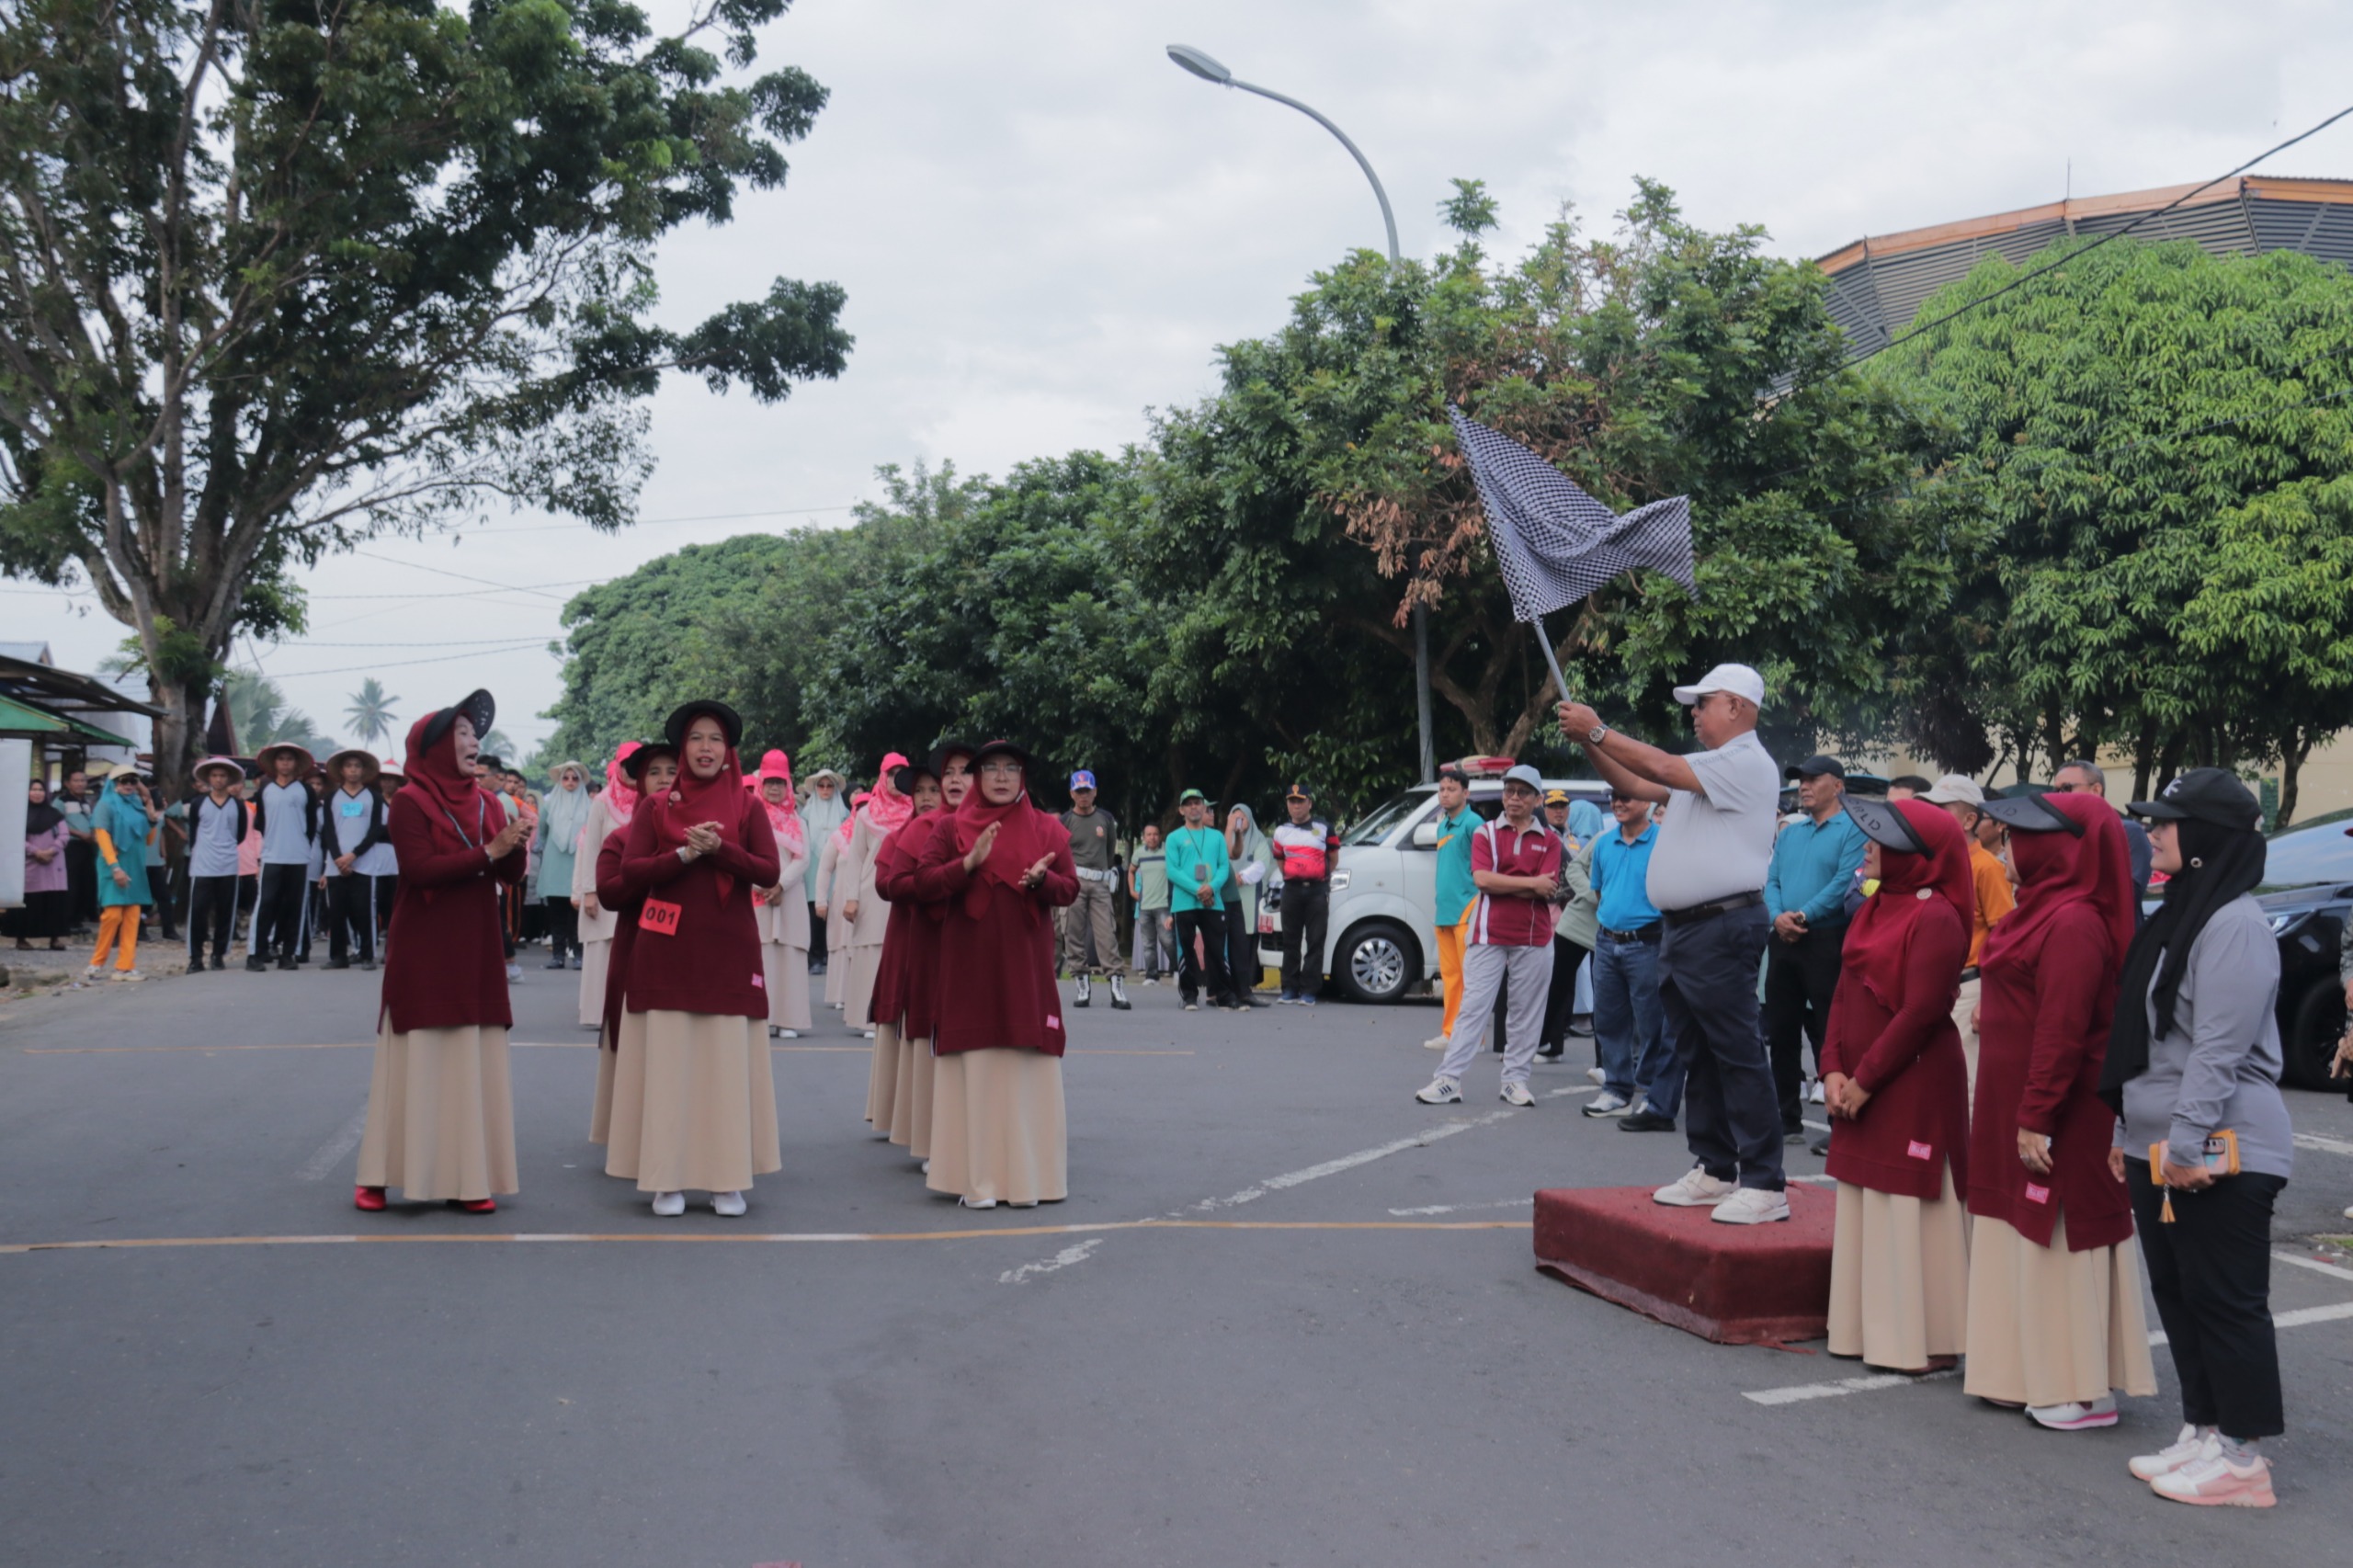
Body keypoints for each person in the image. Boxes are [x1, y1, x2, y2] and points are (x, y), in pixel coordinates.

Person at [2108, 768, 2293, 1507]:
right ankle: (2206, 1428)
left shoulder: (2234, 924)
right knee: (2179, 1293)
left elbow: (2217, 1050)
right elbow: (2147, 1042)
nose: (2151, 832)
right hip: (2158, 1142)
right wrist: (2128, 1130)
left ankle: (2244, 1462)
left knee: (2225, 1300)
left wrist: (2183, 1145)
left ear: (2205, 838)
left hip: (2220, 1145)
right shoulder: (2180, 910)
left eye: (2165, 822)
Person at [1558, 663, 1788, 1223]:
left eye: (1704, 702)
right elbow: (1636, 784)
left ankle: (1765, 1182)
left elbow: (1657, 765)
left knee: (1734, 1052)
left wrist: (1595, 729)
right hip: (1686, 928)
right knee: (1698, 1052)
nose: (1694, 712)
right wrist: (1588, 742)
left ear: (1736, 706)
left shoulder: (1745, 762)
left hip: (1720, 925)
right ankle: (1715, 1167)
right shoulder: (1709, 768)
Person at [1962, 790, 2156, 1428]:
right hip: (2017, 1103)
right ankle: (2023, 1371)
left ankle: (2081, 1388)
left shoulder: (2073, 921)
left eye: (2018, 837)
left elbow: (2064, 1030)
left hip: (2059, 1111)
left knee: (2061, 1236)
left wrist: (2036, 1114)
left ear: (2050, 848)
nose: (2006, 846)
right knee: (2018, 1231)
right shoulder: (2036, 911)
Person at [604, 700, 782, 1218]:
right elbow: (631, 873)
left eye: (716, 740)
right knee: (670, 1068)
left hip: (729, 951)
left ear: (729, 753)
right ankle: (667, 1178)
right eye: (697, 739)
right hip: (666, 954)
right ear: (684, 749)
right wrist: (682, 855)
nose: (706, 748)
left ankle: (727, 1180)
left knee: (724, 1068)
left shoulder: (748, 808)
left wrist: (719, 851)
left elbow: (769, 871)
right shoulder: (654, 808)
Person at [355, 691, 527, 1214]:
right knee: (418, 1054)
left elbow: (509, 876)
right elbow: (419, 869)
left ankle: (468, 1176)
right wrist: (490, 852)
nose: (475, 742)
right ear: (431, 748)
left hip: (475, 941)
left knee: (470, 1054)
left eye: (476, 735)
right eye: (462, 735)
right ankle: (381, 1174)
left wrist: (514, 847)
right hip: (425, 943)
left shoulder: (489, 802)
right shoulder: (409, 800)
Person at [1818, 796, 1974, 1375]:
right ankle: (1865, 1331)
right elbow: (1842, 991)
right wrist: (1831, 1068)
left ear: (1916, 855)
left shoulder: (1937, 917)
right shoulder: (1873, 907)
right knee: (1868, 1201)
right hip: (1861, 1078)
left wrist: (1863, 1080)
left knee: (1911, 1202)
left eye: (1879, 839)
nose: (1867, 846)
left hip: (1910, 1081)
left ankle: (1922, 1339)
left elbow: (1921, 1012)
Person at [915, 739, 1077, 1208]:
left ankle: (1033, 1179)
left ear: (1023, 777)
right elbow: (923, 883)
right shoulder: (951, 828)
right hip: (969, 967)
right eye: (992, 769)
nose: (1003, 777)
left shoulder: (1046, 829)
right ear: (978, 778)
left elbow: (1068, 889)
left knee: (1027, 1063)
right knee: (977, 1064)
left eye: (1012, 768)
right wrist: (967, 865)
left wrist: (1041, 880)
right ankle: (976, 1180)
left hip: (1025, 971)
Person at [1416, 766, 1563, 1108]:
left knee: (1525, 1013)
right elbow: (1484, 880)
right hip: (1487, 933)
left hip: (1535, 936)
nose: (1514, 798)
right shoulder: (1486, 833)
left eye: (1523, 792)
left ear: (1537, 799)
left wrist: (1508, 884)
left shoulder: (1551, 840)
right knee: (1473, 1008)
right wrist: (1529, 884)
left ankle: (1515, 1081)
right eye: (1509, 790)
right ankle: (1449, 1079)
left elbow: (1549, 888)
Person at [872, 742, 973, 1155]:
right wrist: (947, 881)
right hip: (928, 939)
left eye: (962, 772)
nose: (948, 784)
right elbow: (892, 884)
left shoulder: (994, 823)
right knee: (932, 1032)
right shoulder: (916, 830)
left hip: (977, 947)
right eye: (944, 775)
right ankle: (934, 1136)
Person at [1764, 756, 1868, 1141]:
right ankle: (1786, 1117)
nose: (1803, 786)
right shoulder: (1791, 832)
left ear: (1837, 785)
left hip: (1827, 938)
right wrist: (1777, 917)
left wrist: (1802, 916)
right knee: (1782, 1029)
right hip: (1784, 938)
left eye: (1813, 779)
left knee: (1830, 1030)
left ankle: (1837, 1122)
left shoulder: (1852, 829)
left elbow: (1846, 882)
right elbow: (1771, 878)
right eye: (1801, 780)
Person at [587, 742, 675, 1144]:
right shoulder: (621, 838)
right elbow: (610, 892)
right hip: (636, 946)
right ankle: (627, 1130)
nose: (663, 779)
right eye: (653, 772)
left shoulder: (706, 833)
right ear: (639, 781)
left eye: (671, 771)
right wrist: (665, 866)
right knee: (633, 1035)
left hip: (688, 956)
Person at [1586, 788, 1675, 1126]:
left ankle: (1652, 1093)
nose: (1618, 804)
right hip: (1607, 942)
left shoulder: (1664, 841)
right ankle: (1617, 1089)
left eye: (1627, 797)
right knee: (1608, 1020)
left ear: (1648, 803)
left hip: (1649, 943)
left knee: (1651, 1022)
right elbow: (1600, 890)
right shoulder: (1604, 843)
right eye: (1614, 798)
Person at [863, 756, 938, 1131]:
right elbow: (883, 883)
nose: (926, 797)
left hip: (942, 938)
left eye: (933, 790)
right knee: (902, 1015)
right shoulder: (899, 836)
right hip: (905, 933)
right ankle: (895, 1110)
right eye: (919, 791)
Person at [842, 756, 915, 1038]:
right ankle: (866, 1019)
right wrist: (851, 898)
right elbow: (855, 859)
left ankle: (898, 1013)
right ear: (882, 777)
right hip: (870, 893)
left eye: (902, 774)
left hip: (905, 891)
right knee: (870, 953)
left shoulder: (915, 812)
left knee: (902, 951)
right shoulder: (866, 814)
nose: (896, 779)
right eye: (891, 773)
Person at [572, 746, 643, 1031]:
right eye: (626, 765)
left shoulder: (649, 799)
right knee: (601, 947)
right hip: (604, 884)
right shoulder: (602, 801)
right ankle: (594, 1013)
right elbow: (590, 848)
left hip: (636, 885)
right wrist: (589, 890)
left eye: (637, 765)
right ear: (617, 766)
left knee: (631, 947)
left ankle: (627, 1009)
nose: (630, 771)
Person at [746, 749, 814, 1042]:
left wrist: (780, 885)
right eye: (770, 782)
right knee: (760, 955)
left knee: (790, 955)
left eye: (780, 782)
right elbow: (742, 853)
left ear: (788, 785)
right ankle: (761, 1015)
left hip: (789, 897)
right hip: (757, 895)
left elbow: (804, 858)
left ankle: (789, 1020)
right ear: (761, 784)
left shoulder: (797, 821)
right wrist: (761, 883)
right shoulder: (749, 816)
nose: (774, 788)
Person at [1921, 774, 2015, 965]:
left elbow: (2002, 936)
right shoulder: (1930, 862)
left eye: (1941, 808)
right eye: (1929, 808)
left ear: (1970, 820)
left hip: (1970, 983)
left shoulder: (1988, 867)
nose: (1931, 814)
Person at [1057, 770, 1130, 1009]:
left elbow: (1110, 851)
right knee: (1072, 933)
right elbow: (1060, 852)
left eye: (1087, 790)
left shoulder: (1106, 819)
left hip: (1099, 882)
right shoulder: (1065, 820)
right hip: (1074, 881)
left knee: (1106, 933)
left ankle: (1116, 988)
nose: (1083, 795)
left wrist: (1104, 873)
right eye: (1079, 791)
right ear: (1072, 793)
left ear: (1095, 791)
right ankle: (1082, 986)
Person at [168, 758, 248, 971]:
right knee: (198, 912)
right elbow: (194, 831)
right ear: (208, 779)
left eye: (222, 775)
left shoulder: (238, 805)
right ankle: (195, 957)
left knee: (225, 911)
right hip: (203, 865)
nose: (219, 779)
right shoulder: (198, 803)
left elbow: (239, 834)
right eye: (214, 775)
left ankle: (218, 954)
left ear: (229, 779)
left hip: (228, 865)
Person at [312, 749, 388, 970]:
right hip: (336, 865)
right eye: (349, 766)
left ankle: (366, 955)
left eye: (357, 766)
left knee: (364, 911)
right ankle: (338, 956)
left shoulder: (373, 797)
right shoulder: (332, 798)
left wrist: (354, 854)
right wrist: (338, 859)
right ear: (342, 770)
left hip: (364, 863)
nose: (353, 770)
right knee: (336, 911)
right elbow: (329, 831)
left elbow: (376, 829)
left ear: (364, 770)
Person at [1163, 788, 1237, 1012]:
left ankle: (1224, 994)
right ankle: (1189, 996)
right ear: (1181, 810)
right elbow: (1172, 871)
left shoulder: (1216, 836)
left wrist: (1211, 888)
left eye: (1198, 803)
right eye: (1189, 803)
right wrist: (1199, 890)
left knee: (1217, 949)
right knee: (1186, 949)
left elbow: (1224, 867)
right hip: (1185, 902)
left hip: (1213, 901)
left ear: (1204, 807)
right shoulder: (1174, 837)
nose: (1194, 807)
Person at [247, 743, 318, 971]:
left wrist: (301, 844)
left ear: (296, 764)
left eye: (289, 759)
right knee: (266, 904)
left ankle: (288, 954)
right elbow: (260, 822)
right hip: (272, 855)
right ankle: (255, 954)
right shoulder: (265, 790)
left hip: (298, 856)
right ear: (274, 764)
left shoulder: (306, 791)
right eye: (281, 759)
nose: (285, 763)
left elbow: (311, 823)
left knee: (294, 906)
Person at [1535, 790, 1593, 1058]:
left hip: (1577, 918)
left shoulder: (1578, 840)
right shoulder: (1543, 838)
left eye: (1563, 806)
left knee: (1570, 983)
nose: (1558, 811)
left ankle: (1555, 1041)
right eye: (1553, 806)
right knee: (1551, 982)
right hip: (1550, 918)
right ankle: (1545, 1041)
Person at [85, 770, 158, 981]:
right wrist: (115, 867)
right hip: (113, 864)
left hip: (135, 864)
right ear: (114, 783)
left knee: (132, 916)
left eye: (133, 781)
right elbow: (103, 838)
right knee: (113, 915)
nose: (128, 785)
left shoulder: (137, 805)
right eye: (123, 781)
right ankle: (96, 962)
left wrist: (150, 810)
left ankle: (125, 967)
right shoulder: (105, 804)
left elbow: (148, 840)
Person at [1424, 767, 1478, 1050]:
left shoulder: (1474, 823)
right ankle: (1450, 1033)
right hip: (1444, 912)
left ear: (1465, 793)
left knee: (1471, 979)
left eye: (1452, 789)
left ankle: (1472, 1038)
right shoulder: (1443, 824)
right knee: (1451, 978)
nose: (1445, 794)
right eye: (1442, 789)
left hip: (1466, 912)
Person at [1271, 783, 1340, 1005]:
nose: (1296, 805)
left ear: (1309, 803)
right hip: (1291, 891)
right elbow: (1280, 859)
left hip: (1317, 891)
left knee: (1315, 941)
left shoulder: (1324, 827)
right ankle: (1289, 989)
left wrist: (1318, 876)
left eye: (1300, 801)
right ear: (1287, 805)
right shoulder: (1281, 831)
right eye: (1292, 801)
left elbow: (1333, 858)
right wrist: (1294, 875)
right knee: (1290, 941)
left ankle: (1309, 991)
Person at [2052, 760, 2154, 906]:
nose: (2058, 796)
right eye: (2055, 791)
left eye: (2066, 788)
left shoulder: (2129, 832)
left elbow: (2128, 895)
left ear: (2095, 790)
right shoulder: (2060, 836)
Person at [533, 761, 592, 971]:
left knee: (577, 914)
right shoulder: (549, 805)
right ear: (559, 780)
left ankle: (579, 955)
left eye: (575, 778)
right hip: (554, 862)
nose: (570, 782)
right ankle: (558, 956)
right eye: (566, 778)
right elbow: (542, 832)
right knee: (556, 913)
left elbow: (591, 836)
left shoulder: (589, 806)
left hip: (577, 864)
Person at [7, 778, 71, 951]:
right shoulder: (18, 814)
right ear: (26, 793)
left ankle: (55, 938)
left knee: (54, 901)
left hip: (53, 864)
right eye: (33, 789)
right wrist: (36, 852)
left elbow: (64, 835)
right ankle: (21, 939)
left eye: (41, 789)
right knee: (28, 902)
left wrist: (52, 850)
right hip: (30, 864)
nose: (37, 793)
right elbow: (13, 837)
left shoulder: (55, 814)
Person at [1222, 801, 1276, 1007]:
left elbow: (1261, 865)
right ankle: (1224, 989)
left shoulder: (1259, 840)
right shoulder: (1224, 838)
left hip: (1249, 897)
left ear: (1250, 819)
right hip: (1226, 896)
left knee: (1246, 944)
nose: (1239, 821)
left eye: (1242, 817)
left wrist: (1240, 877)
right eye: (1234, 817)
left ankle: (1245, 989)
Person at [800, 767, 849, 974]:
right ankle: (814, 956)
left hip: (837, 865)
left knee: (835, 909)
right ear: (816, 788)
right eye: (821, 785)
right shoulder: (806, 813)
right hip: (813, 865)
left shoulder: (844, 813)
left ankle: (830, 953)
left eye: (830, 785)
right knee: (814, 911)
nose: (825, 789)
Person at [1129, 823, 1173, 982]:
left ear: (1160, 836)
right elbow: (1131, 871)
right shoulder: (1139, 853)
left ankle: (1177, 970)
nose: (1152, 837)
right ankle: (1151, 975)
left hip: (1164, 905)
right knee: (1148, 944)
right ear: (1144, 837)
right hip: (1144, 906)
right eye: (1149, 834)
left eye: (1155, 834)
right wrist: (1132, 890)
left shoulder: (1168, 849)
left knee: (1167, 940)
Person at [57, 768, 99, 931]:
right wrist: (79, 833)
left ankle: (78, 920)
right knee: (72, 883)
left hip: (87, 846)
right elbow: (56, 823)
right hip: (71, 846)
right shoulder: (61, 801)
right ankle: (67, 921)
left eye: (83, 780)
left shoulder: (85, 803)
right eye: (76, 780)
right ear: (68, 784)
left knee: (86, 883)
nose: (80, 784)